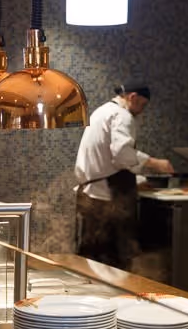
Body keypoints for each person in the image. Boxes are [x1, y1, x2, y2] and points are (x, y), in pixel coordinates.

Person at [74, 81, 174, 269]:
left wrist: (138, 180)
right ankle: (114, 295)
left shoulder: (101, 112)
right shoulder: (122, 115)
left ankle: (91, 294)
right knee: (112, 257)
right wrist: (155, 163)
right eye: (142, 104)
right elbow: (121, 154)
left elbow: (105, 159)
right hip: (107, 198)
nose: (142, 110)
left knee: (92, 252)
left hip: (92, 193)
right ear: (133, 97)